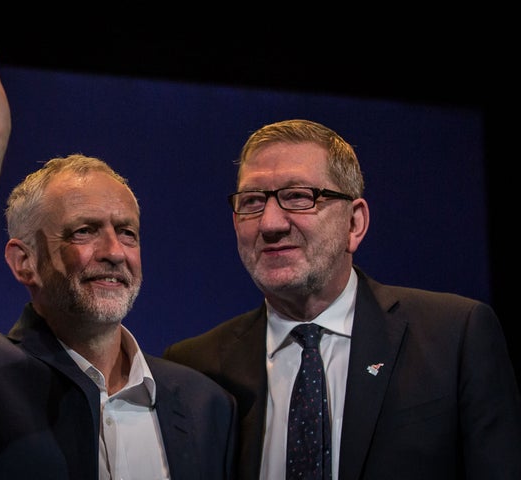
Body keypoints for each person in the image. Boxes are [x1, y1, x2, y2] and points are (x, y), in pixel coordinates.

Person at [0, 11, 237, 479]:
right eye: (84, 231)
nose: (114, 251)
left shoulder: (205, 404)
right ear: (23, 261)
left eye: (127, 232)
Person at [163, 118, 521, 480]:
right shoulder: (197, 367)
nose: (270, 223)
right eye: (252, 201)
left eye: (298, 197)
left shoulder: (454, 336)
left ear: (354, 223)